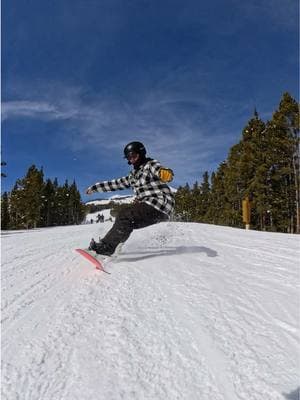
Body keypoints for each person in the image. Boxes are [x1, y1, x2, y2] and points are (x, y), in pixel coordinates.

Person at [86, 141, 175, 256]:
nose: (131, 159)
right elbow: (115, 184)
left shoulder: (150, 165)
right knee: (126, 222)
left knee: (126, 215)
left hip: (159, 204)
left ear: (141, 153)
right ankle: (115, 247)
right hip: (153, 210)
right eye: (128, 157)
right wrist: (95, 188)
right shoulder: (132, 176)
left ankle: (106, 248)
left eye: (134, 155)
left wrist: (165, 173)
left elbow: (159, 169)